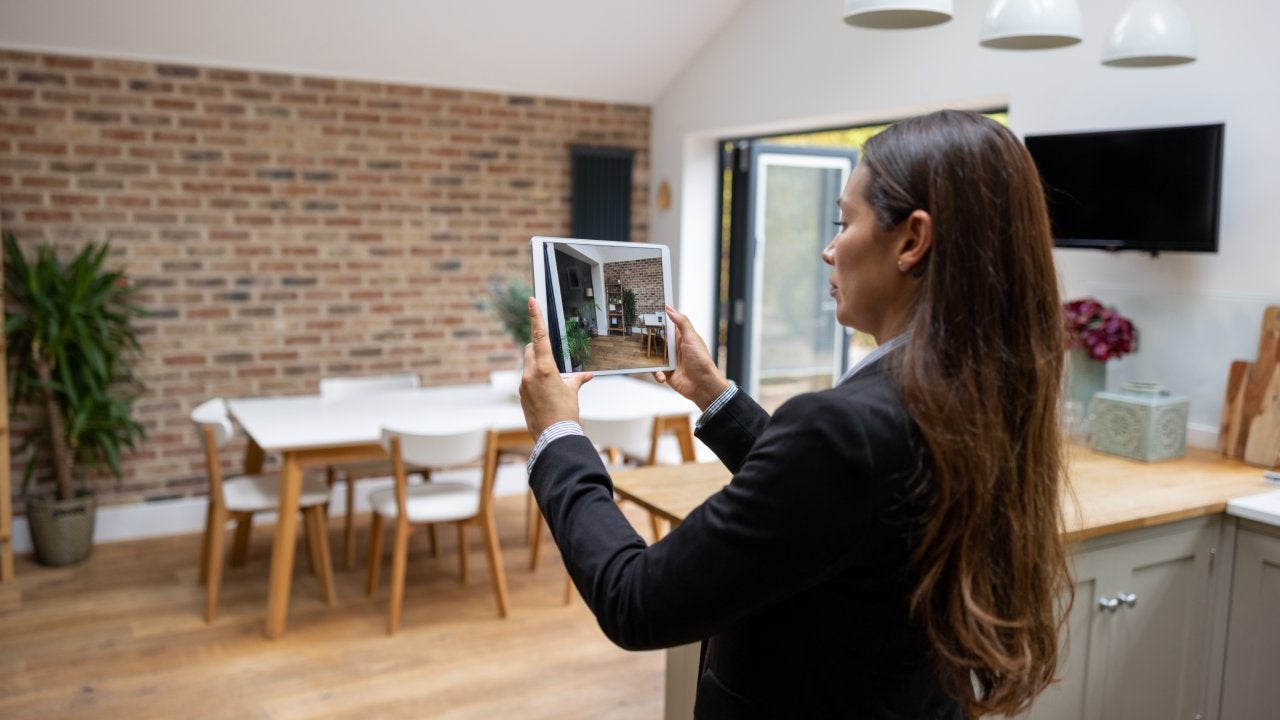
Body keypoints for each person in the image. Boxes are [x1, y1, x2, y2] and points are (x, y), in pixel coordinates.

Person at [519, 109, 1071, 719]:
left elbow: (636, 599)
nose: (829, 249)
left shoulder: (845, 429)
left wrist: (558, 434)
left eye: (844, 222)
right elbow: (839, 506)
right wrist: (716, 397)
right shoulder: (983, 393)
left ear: (913, 240)